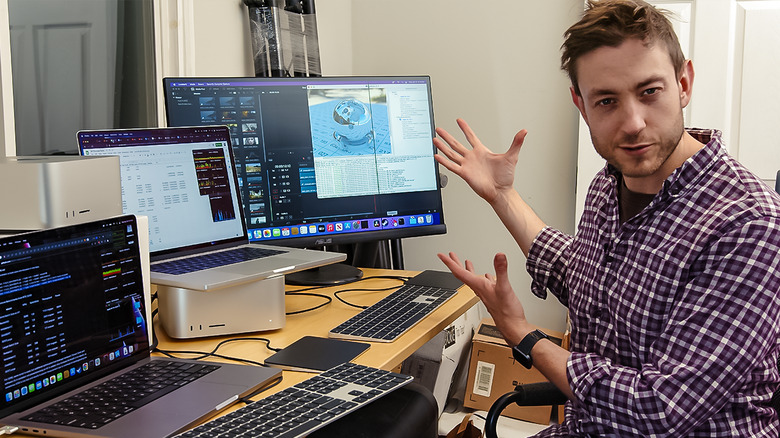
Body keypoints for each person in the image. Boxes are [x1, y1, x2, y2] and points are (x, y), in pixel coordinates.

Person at [434, 0, 780, 436]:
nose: (632, 123)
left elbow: (658, 410)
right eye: (607, 101)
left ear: (684, 83)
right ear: (581, 104)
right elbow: (590, 279)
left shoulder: (748, 223)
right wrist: (503, 196)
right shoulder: (610, 182)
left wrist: (523, 334)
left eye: (649, 92)